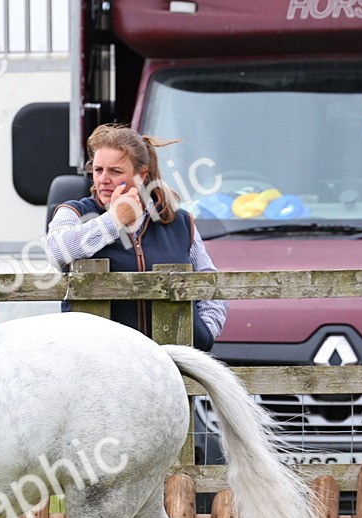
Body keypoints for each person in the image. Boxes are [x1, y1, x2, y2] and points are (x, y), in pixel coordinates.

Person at [45, 123, 227, 350]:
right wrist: (114, 219)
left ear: (142, 175)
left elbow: (212, 285)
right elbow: (55, 252)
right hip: (102, 363)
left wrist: (205, 332)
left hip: (175, 363)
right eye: (98, 170)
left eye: (115, 171)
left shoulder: (179, 221)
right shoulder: (74, 211)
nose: (103, 179)